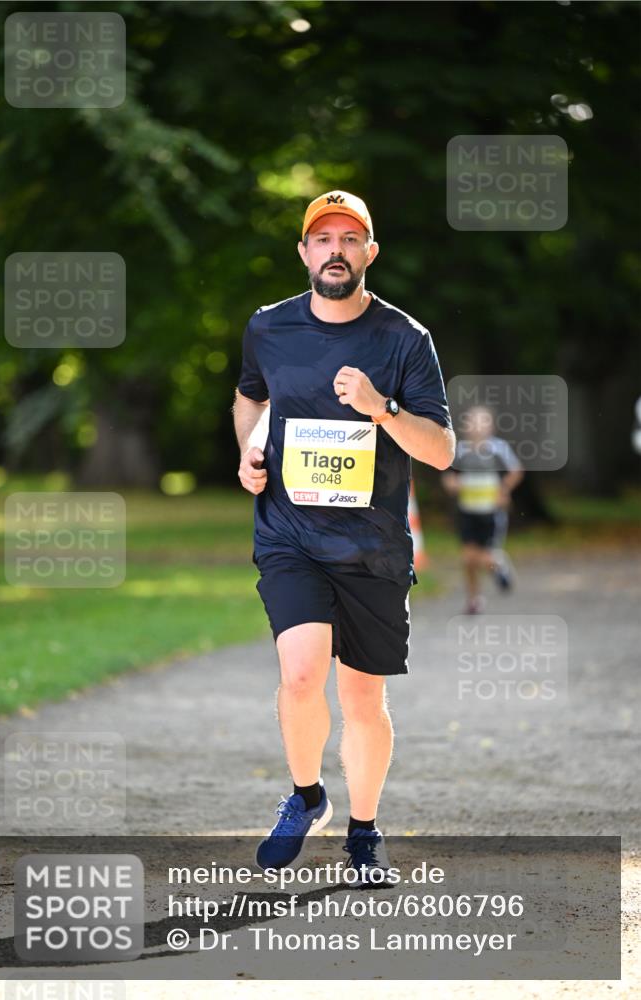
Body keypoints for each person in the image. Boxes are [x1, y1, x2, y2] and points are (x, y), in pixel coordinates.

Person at [233, 190, 454, 885]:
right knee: (300, 676)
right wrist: (248, 450)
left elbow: (441, 449)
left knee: (362, 700)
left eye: (349, 239)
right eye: (323, 239)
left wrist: (380, 408)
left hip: (372, 546)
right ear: (304, 251)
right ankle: (305, 796)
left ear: (369, 252)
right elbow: (250, 397)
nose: (336, 250)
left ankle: (363, 832)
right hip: (290, 534)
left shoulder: (404, 339)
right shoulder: (268, 327)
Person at [441, 405, 524, 614]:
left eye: (482, 421)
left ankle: (499, 564)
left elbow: (516, 471)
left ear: (491, 426)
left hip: (491, 512)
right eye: (472, 421)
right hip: (467, 511)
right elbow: (448, 475)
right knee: (467, 559)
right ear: (465, 426)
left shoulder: (498, 449)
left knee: (486, 557)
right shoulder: (459, 450)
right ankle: (474, 599)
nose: (477, 426)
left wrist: (503, 489)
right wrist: (452, 484)